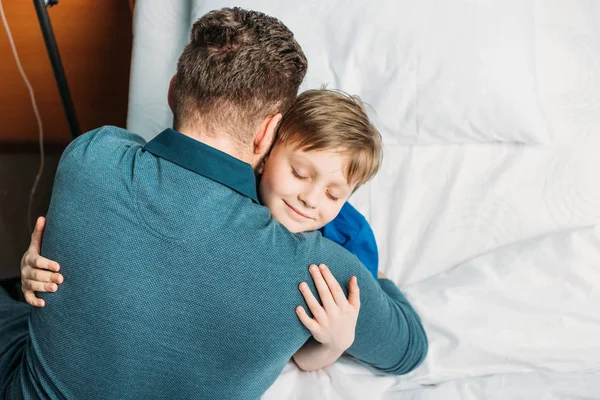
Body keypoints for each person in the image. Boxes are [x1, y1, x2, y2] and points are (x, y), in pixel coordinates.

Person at [1, 8, 427, 400]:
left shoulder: (89, 159)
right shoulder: (321, 273)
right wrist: (381, 283)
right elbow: (409, 349)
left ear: (173, 91)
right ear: (269, 135)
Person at [20, 88, 386, 372]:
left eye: (334, 194)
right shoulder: (216, 197)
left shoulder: (346, 245)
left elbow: (302, 356)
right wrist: (43, 260)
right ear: (265, 149)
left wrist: (336, 342)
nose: (309, 199)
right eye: (300, 174)